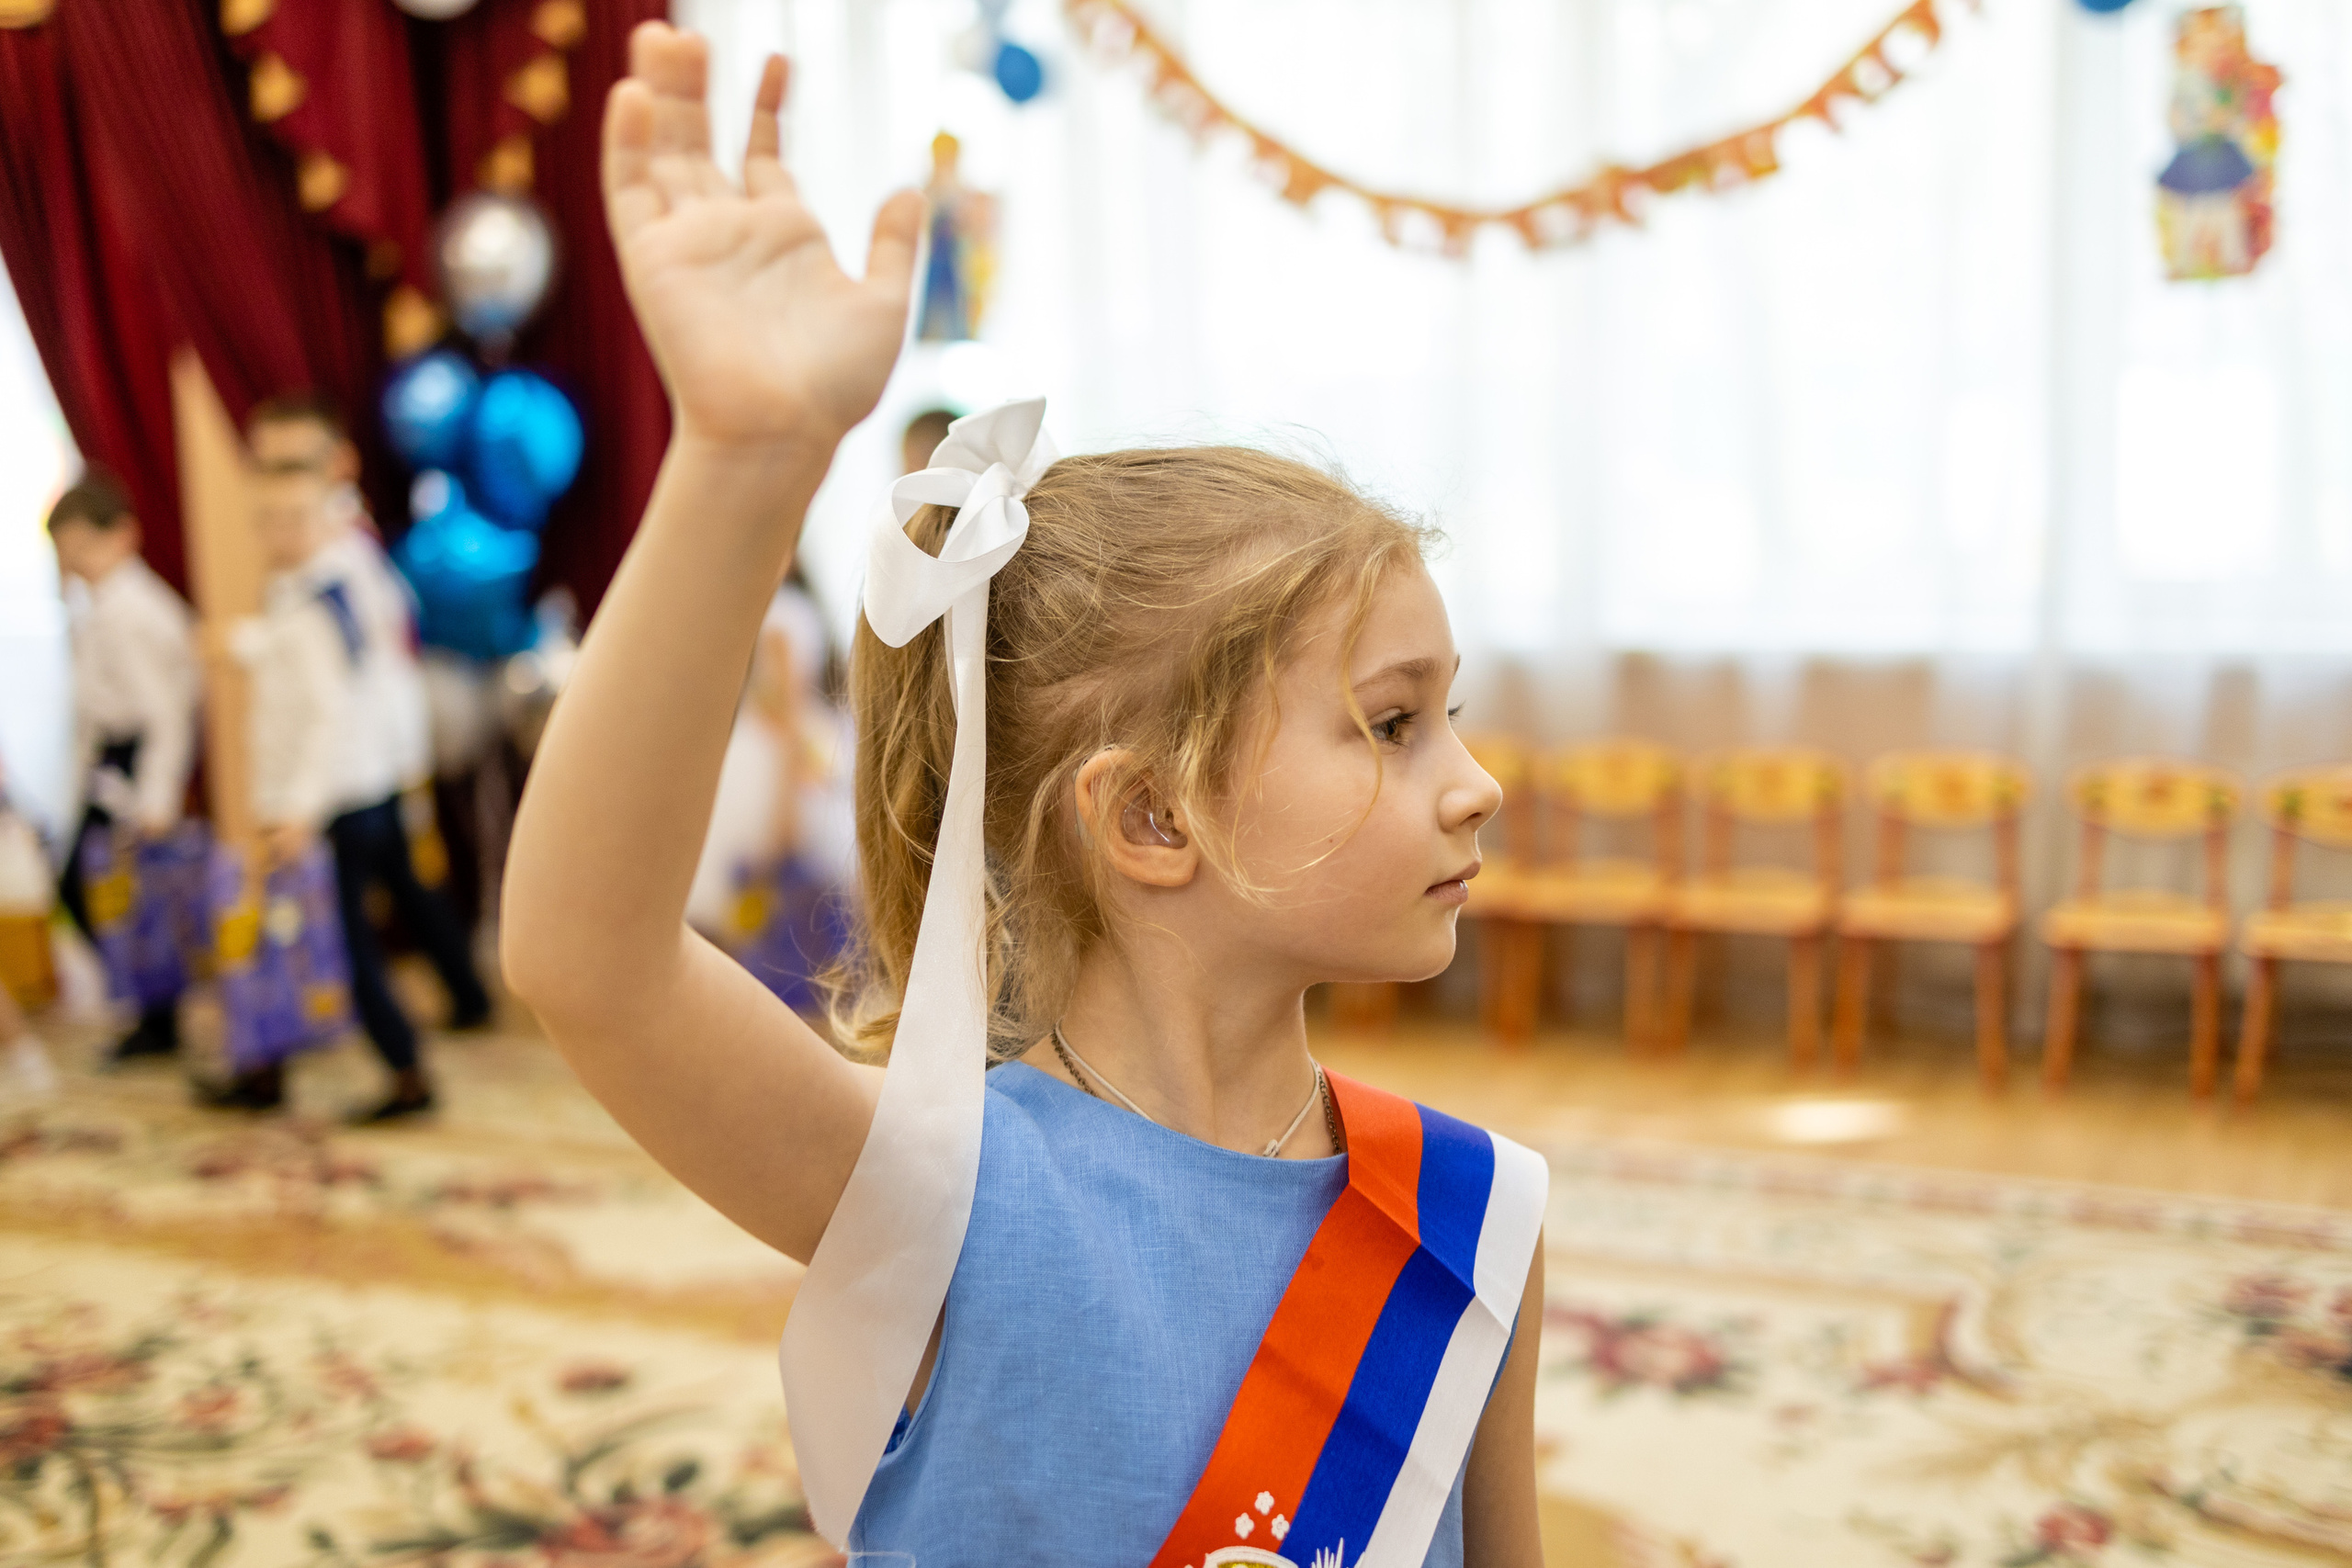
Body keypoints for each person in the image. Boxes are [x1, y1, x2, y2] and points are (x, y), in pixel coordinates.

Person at [501, 26, 1544, 1567]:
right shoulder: (942, 1191)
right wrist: (745, 456)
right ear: (1149, 818)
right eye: (1391, 723)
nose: (1476, 784)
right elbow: (588, 957)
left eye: (1447, 712)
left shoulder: (1473, 1216)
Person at [210, 457, 447, 1122]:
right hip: (340, 792)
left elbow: (326, 709)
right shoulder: (304, 590)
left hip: (335, 800)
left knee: (342, 943)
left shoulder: (324, 596)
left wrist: (300, 811)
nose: (280, 531)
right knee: (294, 932)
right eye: (269, 519)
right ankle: (263, 1067)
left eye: (295, 518)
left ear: (326, 520)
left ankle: (408, 1072)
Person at [245, 395, 490, 1032]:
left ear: (337, 465)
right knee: (397, 883)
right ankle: (458, 1000)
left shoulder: (335, 560)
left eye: (294, 463)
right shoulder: (318, 561)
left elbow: (352, 677)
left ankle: (409, 1042)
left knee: (355, 909)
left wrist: (316, 789)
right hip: (361, 761)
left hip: (358, 762)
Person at [46, 473, 198, 1066]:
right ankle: (150, 1011)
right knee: (112, 893)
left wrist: (156, 795)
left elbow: (165, 714)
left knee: (109, 893)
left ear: (121, 537)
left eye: (85, 545)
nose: (76, 561)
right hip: (111, 759)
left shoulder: (132, 610)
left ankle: (156, 1010)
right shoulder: (103, 605)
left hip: (133, 764)